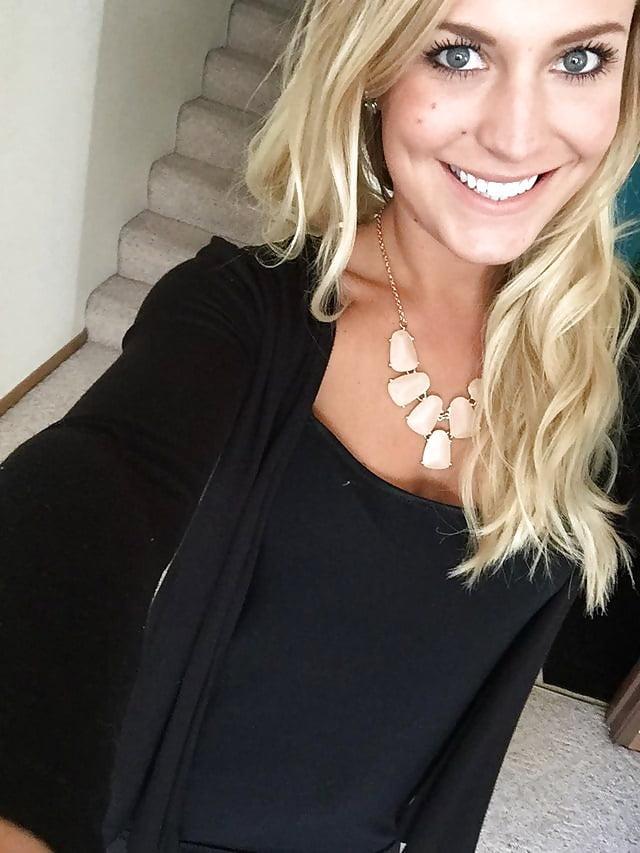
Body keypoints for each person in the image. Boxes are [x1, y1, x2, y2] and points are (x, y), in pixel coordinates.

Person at [2, 0, 640, 851]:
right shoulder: (237, 313)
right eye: (456, 54)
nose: (517, 136)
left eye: (580, 60)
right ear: (373, 66)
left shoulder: (603, 354)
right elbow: (87, 498)